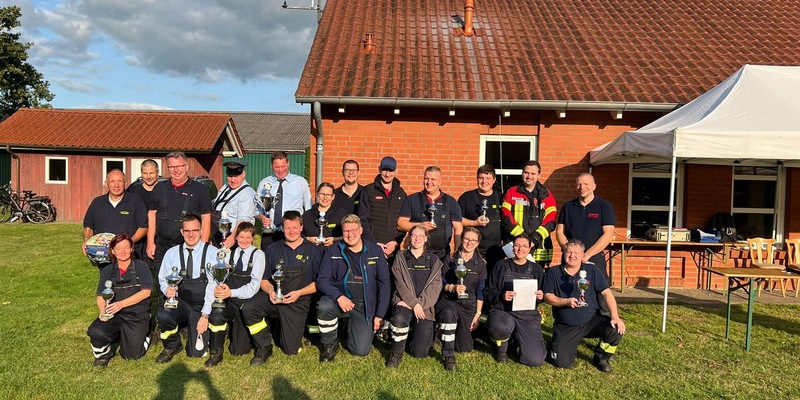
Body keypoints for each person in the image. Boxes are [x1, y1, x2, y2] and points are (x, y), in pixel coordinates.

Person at [241, 211, 323, 366]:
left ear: (301, 227)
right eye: (287, 228)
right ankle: (264, 345)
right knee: (248, 308)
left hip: (298, 303)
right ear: (282, 229)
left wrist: (299, 293)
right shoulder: (272, 249)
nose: (291, 231)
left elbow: (320, 283)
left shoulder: (314, 251)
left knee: (290, 349)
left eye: (294, 227)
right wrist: (271, 292)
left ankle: (287, 330)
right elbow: (264, 279)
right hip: (275, 298)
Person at [316, 214, 391, 362]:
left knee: (360, 351)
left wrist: (380, 314)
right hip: (340, 300)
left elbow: (384, 283)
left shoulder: (375, 251)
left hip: (364, 304)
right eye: (346, 231)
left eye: (354, 230)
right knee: (324, 306)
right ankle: (330, 343)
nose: (350, 235)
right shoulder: (333, 251)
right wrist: (338, 297)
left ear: (361, 230)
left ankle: (350, 327)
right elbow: (322, 280)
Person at [542, 239, 625, 372]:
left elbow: (606, 293)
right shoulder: (553, 272)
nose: (572, 256)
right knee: (562, 363)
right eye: (569, 252)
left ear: (582, 255)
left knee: (614, 329)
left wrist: (615, 316)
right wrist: (565, 301)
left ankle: (602, 356)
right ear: (563, 253)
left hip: (591, 321)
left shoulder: (591, 269)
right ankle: (562, 347)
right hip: (566, 325)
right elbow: (547, 297)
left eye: (576, 253)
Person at [154, 214, 219, 363]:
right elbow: (163, 279)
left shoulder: (212, 253)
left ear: (201, 231)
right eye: (187, 231)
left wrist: (205, 315)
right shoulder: (171, 253)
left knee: (196, 353)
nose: (191, 234)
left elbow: (214, 285)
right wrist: (166, 290)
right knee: (164, 314)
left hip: (203, 305)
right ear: (182, 232)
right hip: (181, 302)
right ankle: (172, 345)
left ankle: (202, 330)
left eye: (195, 230)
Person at [86, 233, 153, 367]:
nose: (123, 252)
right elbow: (100, 295)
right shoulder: (107, 271)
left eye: (126, 248)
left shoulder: (141, 266)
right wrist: (102, 310)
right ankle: (103, 354)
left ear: (132, 249)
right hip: (114, 312)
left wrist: (121, 304)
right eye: (118, 248)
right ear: (112, 251)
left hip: (136, 314)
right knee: (96, 331)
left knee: (131, 356)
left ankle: (147, 334)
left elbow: (146, 292)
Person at [205, 222, 265, 368]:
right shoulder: (229, 253)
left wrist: (231, 292)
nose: (244, 240)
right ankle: (216, 351)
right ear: (236, 237)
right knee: (217, 313)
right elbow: (214, 273)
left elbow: (253, 287)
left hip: (246, 303)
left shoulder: (258, 255)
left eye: (248, 237)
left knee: (239, 351)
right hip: (229, 301)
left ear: (253, 238)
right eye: (241, 237)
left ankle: (251, 337)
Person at [386, 225, 443, 369]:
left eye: (420, 236)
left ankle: (413, 335)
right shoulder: (401, 257)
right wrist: (413, 303)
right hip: (404, 302)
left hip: (424, 307)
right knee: (399, 319)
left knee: (420, 353)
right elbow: (400, 284)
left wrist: (420, 304)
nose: (416, 239)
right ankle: (396, 352)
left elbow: (435, 287)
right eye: (413, 235)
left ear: (425, 239)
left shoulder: (433, 259)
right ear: (410, 238)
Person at [484, 234, 546, 367]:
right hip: (503, 311)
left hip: (527, 314)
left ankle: (521, 343)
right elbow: (488, 291)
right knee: (498, 327)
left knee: (535, 360)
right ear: (512, 248)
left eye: (524, 246)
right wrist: (501, 296)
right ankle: (501, 349)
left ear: (530, 248)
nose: (520, 249)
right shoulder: (500, 266)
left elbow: (542, 294)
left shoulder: (536, 269)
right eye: (517, 245)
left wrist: (541, 297)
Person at [147, 152, 213, 275]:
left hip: (188, 243)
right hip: (162, 245)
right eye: (172, 167)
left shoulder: (200, 189)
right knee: (159, 279)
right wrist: (150, 242)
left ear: (186, 167)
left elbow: (206, 218)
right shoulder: (159, 188)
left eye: (180, 166)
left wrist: (202, 247)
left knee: (187, 278)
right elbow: (152, 215)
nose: (176, 170)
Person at [435, 227, 487, 371]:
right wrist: (451, 287)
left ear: (477, 243)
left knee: (464, 347)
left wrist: (478, 313)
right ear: (461, 239)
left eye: (473, 240)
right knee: (449, 313)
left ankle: (441, 332)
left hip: (468, 303)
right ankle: (448, 355)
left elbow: (481, 290)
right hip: (450, 300)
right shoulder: (450, 259)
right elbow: (440, 282)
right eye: (466, 239)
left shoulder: (481, 264)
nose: (469, 242)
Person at [83, 169, 148, 266]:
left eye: (120, 181)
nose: (116, 185)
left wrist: (127, 244)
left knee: (130, 281)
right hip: (105, 255)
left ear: (125, 183)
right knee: (107, 280)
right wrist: (87, 240)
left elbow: (143, 227)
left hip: (129, 257)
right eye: (112, 181)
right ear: (106, 183)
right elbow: (88, 226)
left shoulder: (135, 201)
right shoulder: (97, 203)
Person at [555, 172, 616, 276]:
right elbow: (559, 232)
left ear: (594, 186)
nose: (582, 187)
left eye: (586, 184)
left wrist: (587, 254)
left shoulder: (604, 207)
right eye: (579, 184)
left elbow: (608, 234)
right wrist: (570, 251)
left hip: (594, 257)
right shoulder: (568, 207)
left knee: (597, 290)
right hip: (570, 259)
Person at [398, 166, 463, 261]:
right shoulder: (412, 199)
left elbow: (458, 228)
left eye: (433, 179)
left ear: (440, 181)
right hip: (416, 255)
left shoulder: (450, 201)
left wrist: (457, 252)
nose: (429, 182)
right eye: (426, 179)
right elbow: (400, 224)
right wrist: (420, 225)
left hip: (442, 255)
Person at [501, 160, 557, 268]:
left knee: (539, 281)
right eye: (526, 173)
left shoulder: (547, 195)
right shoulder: (511, 192)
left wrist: (534, 239)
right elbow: (506, 217)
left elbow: (550, 221)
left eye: (533, 173)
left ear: (539, 175)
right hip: (515, 246)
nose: (529, 176)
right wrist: (523, 239)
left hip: (540, 247)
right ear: (522, 173)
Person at [257, 151, 312, 250]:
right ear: (271, 166)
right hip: (270, 232)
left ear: (288, 164)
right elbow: (257, 209)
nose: (280, 170)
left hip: (292, 233)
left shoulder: (300, 182)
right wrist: (262, 218)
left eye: (283, 166)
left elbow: (308, 208)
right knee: (268, 263)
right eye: (276, 167)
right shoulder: (264, 183)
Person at [358, 156, 407, 265]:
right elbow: (362, 220)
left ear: (396, 171)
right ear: (379, 169)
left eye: (391, 170)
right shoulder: (368, 191)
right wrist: (373, 243)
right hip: (371, 247)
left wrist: (396, 242)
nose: (387, 174)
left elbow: (403, 221)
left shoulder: (401, 193)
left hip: (393, 250)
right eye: (385, 170)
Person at [458, 165, 504, 271]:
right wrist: (474, 223)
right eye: (481, 178)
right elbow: (457, 220)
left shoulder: (501, 198)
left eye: (488, 178)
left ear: (494, 180)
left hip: (496, 250)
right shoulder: (466, 198)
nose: (484, 181)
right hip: (472, 249)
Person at [212, 160, 257, 248]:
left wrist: (232, 238)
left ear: (243, 175)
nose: (232, 180)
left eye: (236, 176)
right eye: (230, 176)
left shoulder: (247, 193)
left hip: (233, 239)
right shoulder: (226, 187)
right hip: (217, 235)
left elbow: (243, 220)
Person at [302, 182, 347, 247]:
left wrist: (334, 240)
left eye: (328, 195)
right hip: (311, 252)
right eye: (322, 194)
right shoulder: (307, 215)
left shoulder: (341, 214)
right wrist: (308, 239)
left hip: (334, 252)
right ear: (317, 195)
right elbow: (299, 236)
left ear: (333, 197)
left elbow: (349, 235)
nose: (325, 198)